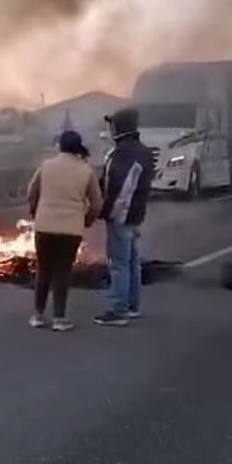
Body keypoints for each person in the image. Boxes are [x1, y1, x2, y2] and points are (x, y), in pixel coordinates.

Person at [26, 130, 103, 332]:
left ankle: (38, 316)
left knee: (43, 270)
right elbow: (97, 203)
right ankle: (60, 319)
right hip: (71, 230)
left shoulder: (46, 166)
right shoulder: (86, 171)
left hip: (44, 227)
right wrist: (87, 220)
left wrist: (36, 212)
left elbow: (31, 193)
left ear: (59, 145)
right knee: (62, 271)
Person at [94, 108, 155, 326]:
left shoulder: (121, 154)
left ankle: (119, 310)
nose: (110, 129)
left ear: (120, 127)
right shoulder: (144, 152)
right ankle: (132, 305)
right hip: (136, 213)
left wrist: (102, 211)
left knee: (119, 263)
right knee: (131, 261)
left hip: (121, 214)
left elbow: (116, 188)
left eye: (112, 125)